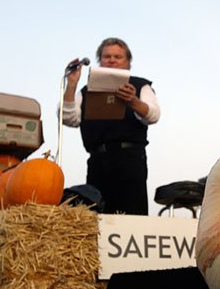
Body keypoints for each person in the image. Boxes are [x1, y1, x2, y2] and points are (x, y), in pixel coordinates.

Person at [61, 37, 160, 215]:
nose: (112, 60)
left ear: (128, 62)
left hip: (130, 159)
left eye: (118, 56)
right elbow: (68, 118)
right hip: (98, 161)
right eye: (107, 56)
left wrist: (133, 101)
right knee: (97, 213)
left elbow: (153, 114)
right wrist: (72, 85)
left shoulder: (140, 85)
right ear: (100, 61)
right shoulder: (87, 90)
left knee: (132, 214)